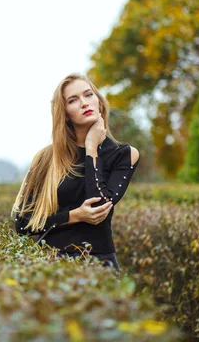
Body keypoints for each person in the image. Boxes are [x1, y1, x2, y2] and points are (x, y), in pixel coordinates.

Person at [11, 74, 140, 273]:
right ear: (65, 113)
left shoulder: (124, 154)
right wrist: (74, 216)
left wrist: (91, 148)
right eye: (73, 100)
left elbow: (99, 208)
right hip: (50, 266)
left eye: (88, 95)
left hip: (100, 264)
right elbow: (23, 224)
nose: (84, 103)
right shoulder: (45, 158)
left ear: (99, 101)